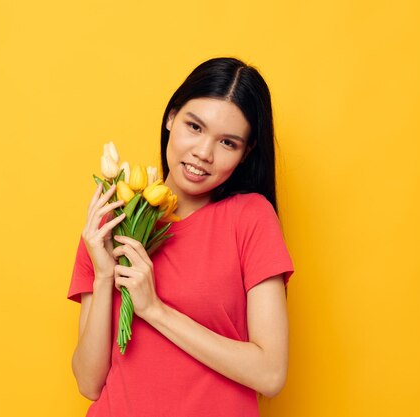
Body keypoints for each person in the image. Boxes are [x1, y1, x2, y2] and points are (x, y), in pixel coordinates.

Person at [67, 57, 295, 417]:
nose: (203, 153)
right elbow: (89, 383)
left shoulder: (250, 218)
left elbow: (270, 373)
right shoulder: (114, 219)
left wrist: (154, 310)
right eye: (194, 126)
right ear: (171, 117)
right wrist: (104, 274)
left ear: (245, 152)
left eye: (228, 143)